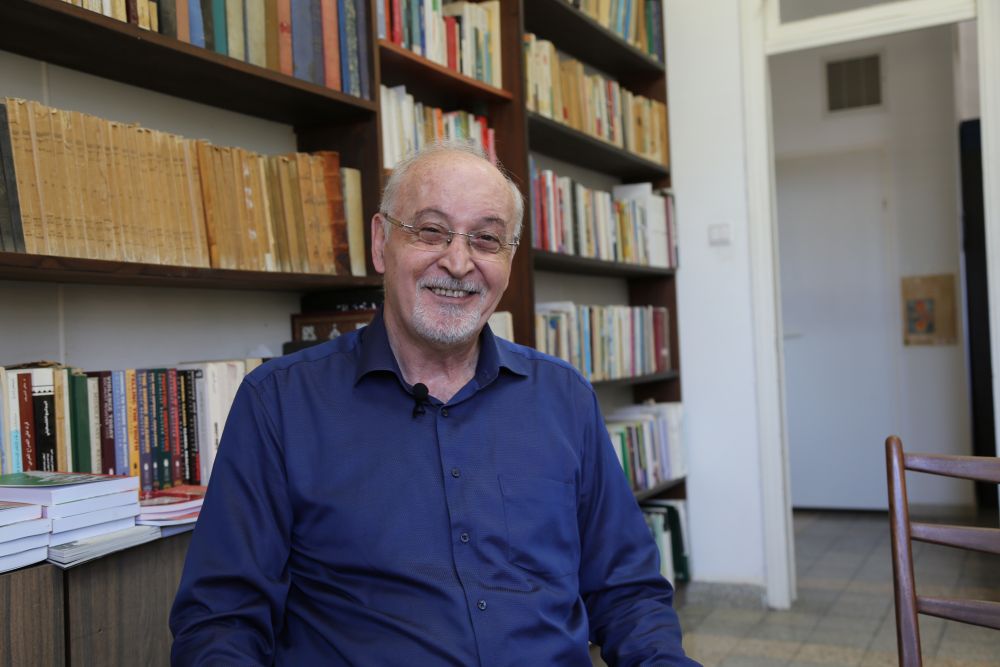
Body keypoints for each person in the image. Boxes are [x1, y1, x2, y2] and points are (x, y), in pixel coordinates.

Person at [169, 141, 697, 666]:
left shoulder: (564, 398)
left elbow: (628, 593)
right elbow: (221, 621)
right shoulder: (278, 403)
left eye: (486, 239)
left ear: (509, 260)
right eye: (430, 231)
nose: (459, 262)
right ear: (381, 243)